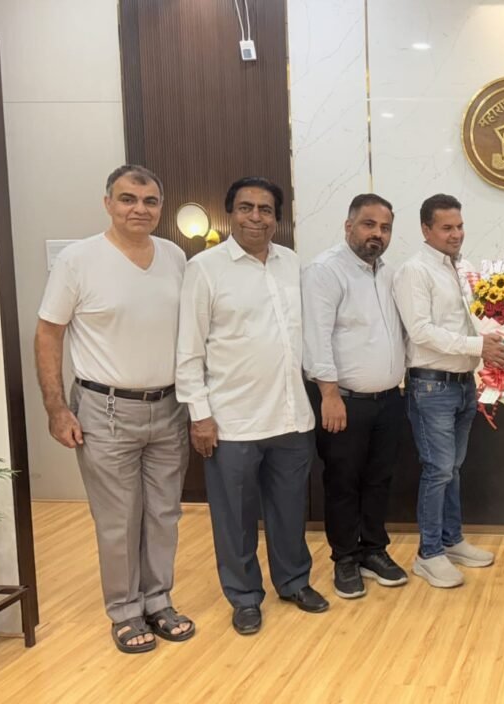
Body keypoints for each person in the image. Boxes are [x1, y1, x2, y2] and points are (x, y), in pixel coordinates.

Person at [35, 164, 193, 653]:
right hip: (104, 410)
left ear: (160, 207)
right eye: (127, 199)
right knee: (119, 518)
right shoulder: (78, 260)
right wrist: (56, 408)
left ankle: (158, 600)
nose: (138, 209)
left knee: (164, 514)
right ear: (108, 203)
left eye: (149, 201)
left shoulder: (174, 256)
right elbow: (48, 334)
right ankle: (125, 610)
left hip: (169, 407)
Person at [176, 176, 328, 636]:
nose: (256, 217)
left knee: (289, 512)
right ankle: (244, 597)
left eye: (265, 209)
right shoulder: (205, 269)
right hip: (232, 421)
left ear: (276, 218)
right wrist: (199, 415)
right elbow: (189, 350)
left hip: (290, 417)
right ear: (231, 214)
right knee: (235, 520)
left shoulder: (291, 263)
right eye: (246, 208)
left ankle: (294, 582)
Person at [392, 194, 504, 588]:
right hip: (431, 386)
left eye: (459, 226)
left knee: (452, 469)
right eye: (446, 228)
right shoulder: (415, 271)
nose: (456, 234)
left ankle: (451, 540)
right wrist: (480, 347)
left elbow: (478, 322)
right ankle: (428, 554)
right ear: (426, 229)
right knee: (438, 469)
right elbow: (420, 331)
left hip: (462, 384)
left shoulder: (465, 269)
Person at [302, 193, 408, 599]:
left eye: (385, 228)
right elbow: (316, 338)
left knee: (379, 479)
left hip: (389, 400)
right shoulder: (325, 271)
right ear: (349, 226)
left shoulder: (389, 273)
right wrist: (329, 394)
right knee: (343, 482)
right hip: (343, 401)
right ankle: (345, 558)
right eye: (369, 224)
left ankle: (373, 550)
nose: (377, 234)